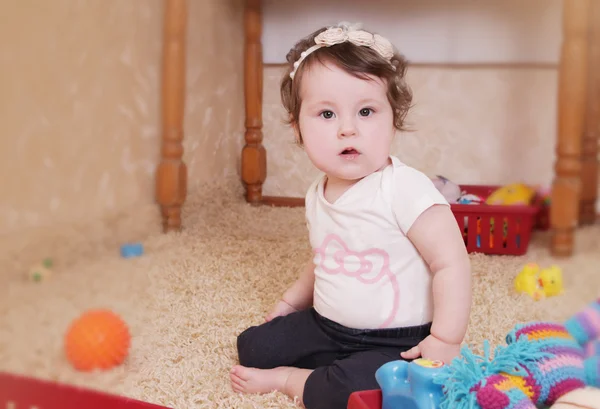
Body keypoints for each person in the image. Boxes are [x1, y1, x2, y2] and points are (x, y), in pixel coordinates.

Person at [229, 22, 472, 409]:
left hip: (397, 338)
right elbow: (325, 257)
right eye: (326, 114)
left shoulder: (404, 188)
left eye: (365, 111)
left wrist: (445, 339)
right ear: (298, 129)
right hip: (328, 324)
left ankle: (293, 380)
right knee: (254, 346)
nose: (347, 129)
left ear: (393, 119)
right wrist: (292, 303)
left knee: (350, 392)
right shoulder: (316, 194)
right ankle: (332, 362)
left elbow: (451, 263)